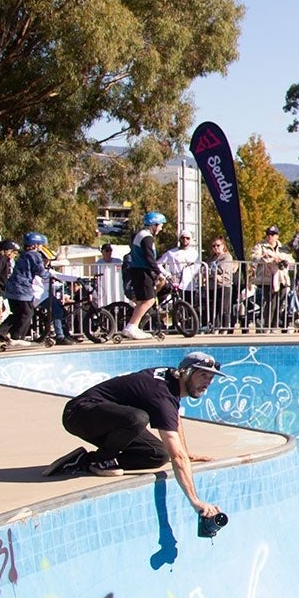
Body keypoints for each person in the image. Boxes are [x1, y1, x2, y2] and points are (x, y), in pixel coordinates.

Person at [47, 352, 226, 529]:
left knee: (158, 454)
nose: (207, 383)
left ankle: (85, 461)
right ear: (186, 372)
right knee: (137, 418)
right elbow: (177, 456)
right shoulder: (162, 394)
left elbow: (173, 419)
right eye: (203, 375)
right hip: (80, 414)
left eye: (210, 377)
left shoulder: (172, 380)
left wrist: (185, 453)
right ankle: (102, 460)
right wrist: (195, 501)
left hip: (104, 416)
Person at [121, 210, 168, 339]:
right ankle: (131, 326)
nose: (161, 228)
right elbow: (149, 258)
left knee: (143, 301)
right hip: (141, 271)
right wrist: (159, 273)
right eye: (160, 225)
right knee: (149, 300)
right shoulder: (146, 237)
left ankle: (133, 326)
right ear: (154, 225)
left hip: (139, 270)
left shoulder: (142, 235)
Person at [250, 225, 294, 333]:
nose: (270, 236)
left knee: (280, 302)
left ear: (277, 236)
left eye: (273, 234)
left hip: (281, 279)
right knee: (269, 302)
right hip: (267, 279)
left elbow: (291, 261)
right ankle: (266, 325)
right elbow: (254, 258)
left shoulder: (283, 248)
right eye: (268, 234)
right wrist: (265, 258)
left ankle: (275, 325)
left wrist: (282, 260)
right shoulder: (260, 246)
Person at [204, 237, 241, 332]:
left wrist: (212, 273)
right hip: (212, 286)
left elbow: (221, 269)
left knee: (224, 308)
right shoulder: (212, 258)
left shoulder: (226, 257)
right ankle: (215, 327)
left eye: (218, 245)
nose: (216, 248)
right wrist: (212, 273)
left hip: (224, 284)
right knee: (214, 308)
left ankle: (225, 328)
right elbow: (204, 269)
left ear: (223, 246)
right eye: (213, 246)